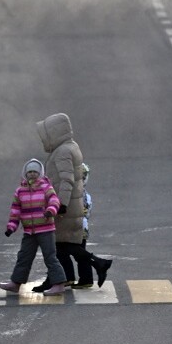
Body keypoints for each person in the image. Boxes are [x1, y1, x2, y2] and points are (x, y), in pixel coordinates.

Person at [31, 113, 112, 292]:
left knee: (57, 245)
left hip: (65, 205)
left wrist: (61, 204)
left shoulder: (62, 152)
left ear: (54, 133)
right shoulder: (70, 146)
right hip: (72, 204)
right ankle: (75, 276)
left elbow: (66, 181)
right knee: (64, 245)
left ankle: (94, 265)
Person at [0, 159, 67, 296]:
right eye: (29, 172)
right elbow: (15, 211)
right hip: (29, 232)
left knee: (50, 257)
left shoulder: (46, 187)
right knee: (24, 256)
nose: (32, 174)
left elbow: (54, 200)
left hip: (46, 230)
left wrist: (50, 211)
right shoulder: (20, 191)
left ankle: (59, 284)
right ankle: (16, 283)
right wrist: (11, 227)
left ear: (40, 173)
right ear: (25, 173)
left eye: (35, 172)